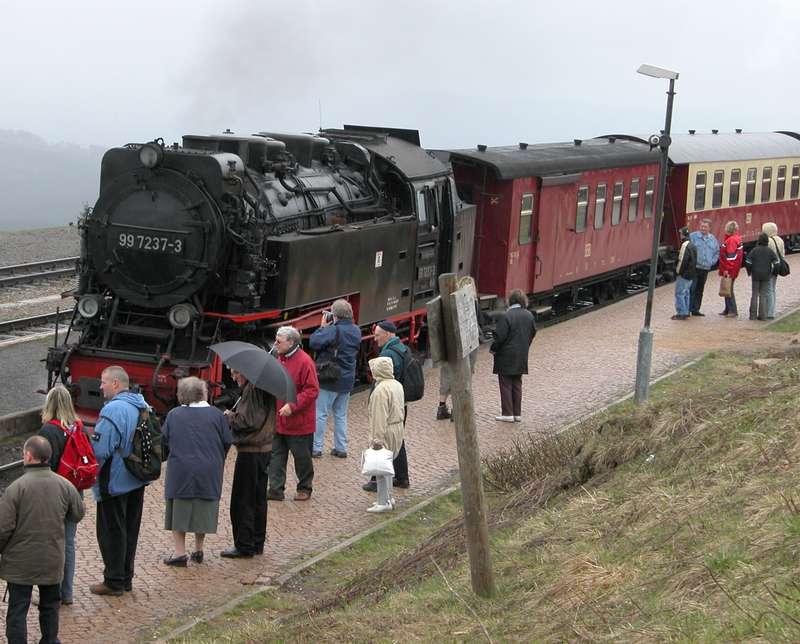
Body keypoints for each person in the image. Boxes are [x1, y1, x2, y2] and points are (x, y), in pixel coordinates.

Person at [0, 436, 84, 644]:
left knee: (18, 609)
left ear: (29, 456)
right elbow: (78, 514)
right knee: (50, 606)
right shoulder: (64, 485)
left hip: (20, 562)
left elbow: (3, 528)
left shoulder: (16, 488)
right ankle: (49, 640)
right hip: (52, 558)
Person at [89, 365, 150, 596]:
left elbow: (101, 449)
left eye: (103, 381)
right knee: (130, 529)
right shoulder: (143, 404)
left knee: (111, 530)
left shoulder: (112, 410)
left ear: (115, 383)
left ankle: (113, 581)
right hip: (137, 478)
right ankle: (126, 577)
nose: (100, 386)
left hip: (114, 481)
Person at [161, 377, 232, 566]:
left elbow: (165, 441)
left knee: (179, 509)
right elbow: (227, 441)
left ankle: (179, 552)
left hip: (181, 469)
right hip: (209, 468)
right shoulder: (217, 415)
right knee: (203, 507)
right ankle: (199, 549)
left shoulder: (174, 415)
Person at [38, 384, 87, 605]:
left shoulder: (49, 430)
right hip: (75, 492)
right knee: (68, 542)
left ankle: (52, 595)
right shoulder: (78, 426)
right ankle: (66, 593)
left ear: (49, 404)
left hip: (55, 495)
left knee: (52, 543)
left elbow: (43, 467)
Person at [222, 368, 275, 558]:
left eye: (236, 373)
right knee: (258, 499)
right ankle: (256, 542)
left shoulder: (252, 389)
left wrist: (229, 416)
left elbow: (247, 421)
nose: (233, 377)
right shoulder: (262, 387)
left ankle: (244, 545)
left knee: (243, 499)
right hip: (263, 448)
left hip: (251, 450)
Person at [268, 326, 320, 502]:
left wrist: (292, 406)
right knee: (276, 455)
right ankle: (275, 489)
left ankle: (304, 487)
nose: (275, 343)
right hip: (279, 420)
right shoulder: (278, 359)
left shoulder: (305, 362)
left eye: (279, 341)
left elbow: (312, 391)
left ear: (291, 342)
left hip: (299, 422)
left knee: (301, 457)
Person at [309, 298, 363, 458]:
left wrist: (322, 327)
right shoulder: (356, 330)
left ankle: (316, 448)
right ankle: (341, 447)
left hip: (330, 378)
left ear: (335, 315)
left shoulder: (333, 330)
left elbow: (314, 342)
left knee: (321, 413)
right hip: (347, 379)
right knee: (340, 414)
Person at [362, 320, 409, 492]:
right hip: (398, 403)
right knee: (398, 442)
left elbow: (380, 420)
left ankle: (376, 481)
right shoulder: (403, 348)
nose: (375, 339)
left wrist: (376, 439)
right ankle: (402, 477)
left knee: (382, 445)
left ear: (388, 334)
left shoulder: (389, 354)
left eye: (377, 335)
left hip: (388, 406)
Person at [365, 356, 405, 513]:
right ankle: (388, 497)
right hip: (397, 427)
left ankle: (384, 501)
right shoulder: (397, 385)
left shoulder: (380, 390)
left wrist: (377, 440)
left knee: (381, 468)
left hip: (386, 430)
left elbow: (379, 416)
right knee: (388, 466)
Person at [437, 275, 480, 421]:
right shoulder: (471, 302)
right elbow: (476, 324)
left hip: (449, 344)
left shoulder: (449, 301)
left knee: (446, 374)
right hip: (466, 345)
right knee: (464, 376)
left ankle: (441, 408)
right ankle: (457, 410)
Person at [491, 289, 537, 422]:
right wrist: (525, 345)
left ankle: (507, 413)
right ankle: (517, 413)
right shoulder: (529, 315)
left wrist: (493, 349)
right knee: (517, 383)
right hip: (521, 355)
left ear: (510, 301)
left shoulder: (506, 316)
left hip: (506, 355)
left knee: (505, 383)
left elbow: (500, 337)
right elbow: (533, 332)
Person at [745, 232, 779, 321]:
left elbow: (748, 262)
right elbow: (777, 263)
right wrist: (774, 272)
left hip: (755, 274)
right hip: (766, 275)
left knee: (755, 294)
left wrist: (749, 272)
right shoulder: (770, 251)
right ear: (767, 241)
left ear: (759, 240)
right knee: (763, 295)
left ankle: (752, 316)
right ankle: (762, 316)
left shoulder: (754, 250)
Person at [689, 218, 720, 316]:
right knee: (692, 288)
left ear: (709, 228)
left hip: (705, 268)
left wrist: (712, 262)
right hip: (695, 267)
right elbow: (687, 249)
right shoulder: (693, 237)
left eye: (705, 227)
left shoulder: (713, 239)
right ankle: (688, 308)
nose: (703, 228)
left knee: (700, 289)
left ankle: (695, 309)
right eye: (702, 226)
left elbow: (716, 252)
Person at [718, 220, 744, 318]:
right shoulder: (736, 239)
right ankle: (728, 308)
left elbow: (730, 257)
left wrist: (727, 270)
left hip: (730, 270)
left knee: (729, 289)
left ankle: (732, 310)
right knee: (728, 288)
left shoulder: (731, 240)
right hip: (733, 269)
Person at [672, 226, 697, 321]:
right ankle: (686, 312)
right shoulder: (692, 245)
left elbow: (682, 260)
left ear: (682, 234)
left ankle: (681, 313)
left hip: (684, 274)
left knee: (680, 293)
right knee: (686, 293)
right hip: (691, 274)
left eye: (680, 233)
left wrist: (677, 271)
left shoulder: (684, 245)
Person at [762, 222, 785, 319]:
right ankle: (771, 310)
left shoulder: (769, 241)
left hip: (769, 267)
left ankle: (769, 313)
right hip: (777, 266)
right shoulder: (780, 240)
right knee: (772, 289)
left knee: (768, 290)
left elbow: (766, 255)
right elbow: (783, 254)